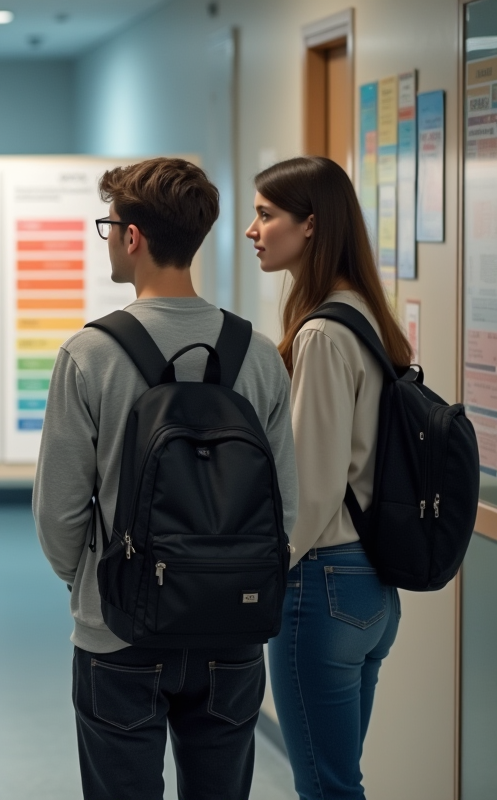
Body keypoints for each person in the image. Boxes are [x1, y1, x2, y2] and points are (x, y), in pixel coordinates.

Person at [34, 157, 298, 800]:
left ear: (133, 237)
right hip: (232, 626)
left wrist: (96, 583)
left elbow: (58, 514)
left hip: (119, 632)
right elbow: (284, 507)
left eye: (109, 226)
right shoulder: (259, 355)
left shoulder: (89, 354)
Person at [247, 156, 408, 800]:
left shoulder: (320, 334)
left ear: (310, 225)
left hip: (323, 584)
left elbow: (311, 490)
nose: (254, 231)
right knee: (340, 783)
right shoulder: (365, 313)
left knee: (325, 787)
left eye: (266, 215)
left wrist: (264, 573)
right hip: (372, 587)